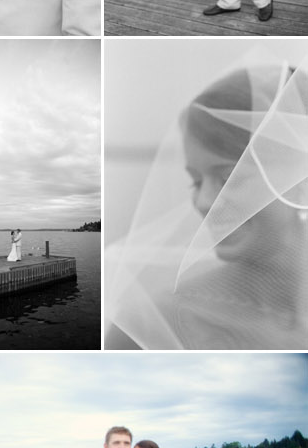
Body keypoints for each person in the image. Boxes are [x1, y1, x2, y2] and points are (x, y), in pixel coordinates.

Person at [104, 53, 308, 351]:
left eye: (227, 178)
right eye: (196, 181)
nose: (204, 201)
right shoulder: (155, 323)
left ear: (300, 180)